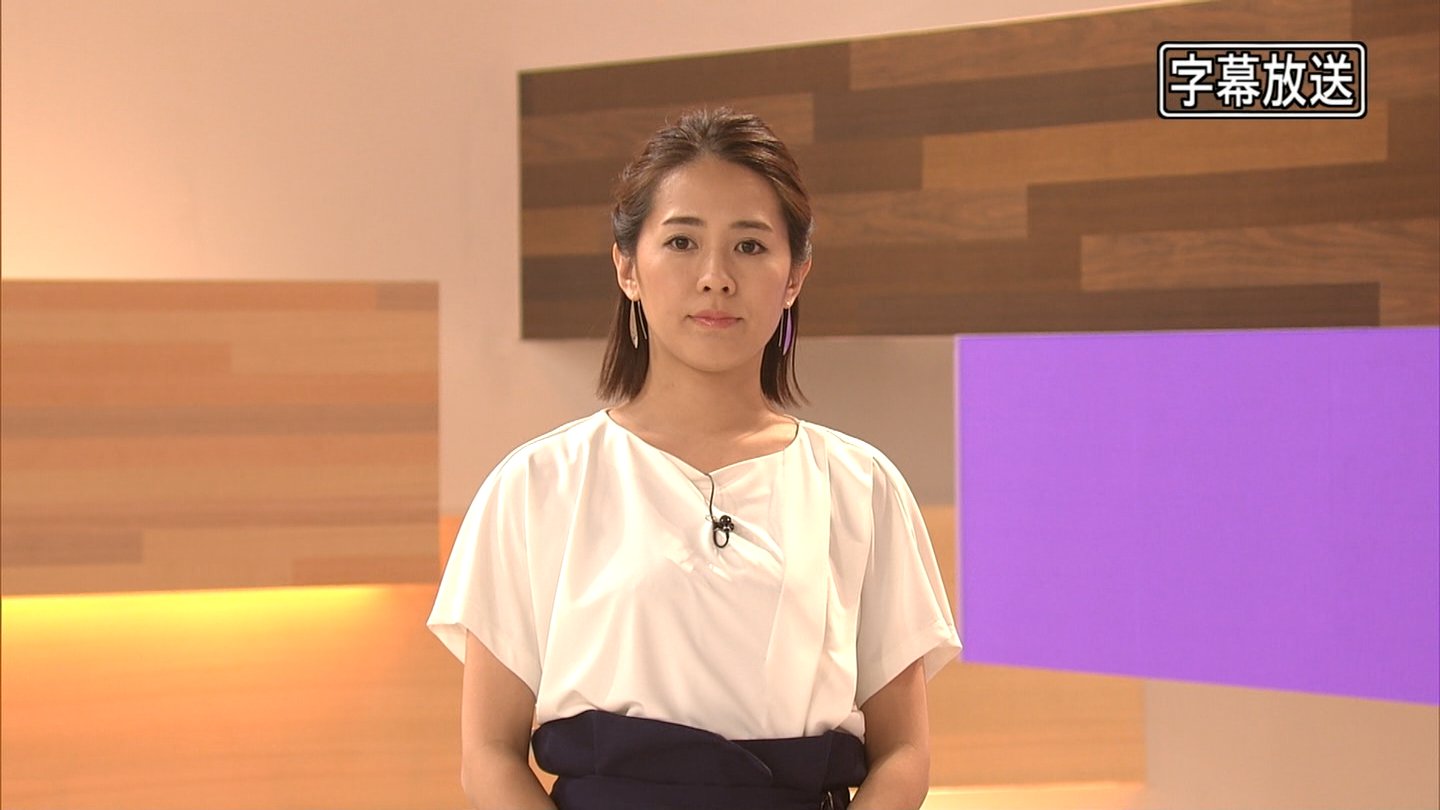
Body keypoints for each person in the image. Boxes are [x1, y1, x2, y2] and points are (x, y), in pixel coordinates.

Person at [428, 108, 960, 810]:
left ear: (795, 275)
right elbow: (488, 755)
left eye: (749, 246)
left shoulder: (862, 486)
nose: (715, 277)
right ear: (627, 267)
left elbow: (904, 753)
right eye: (682, 241)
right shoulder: (534, 485)